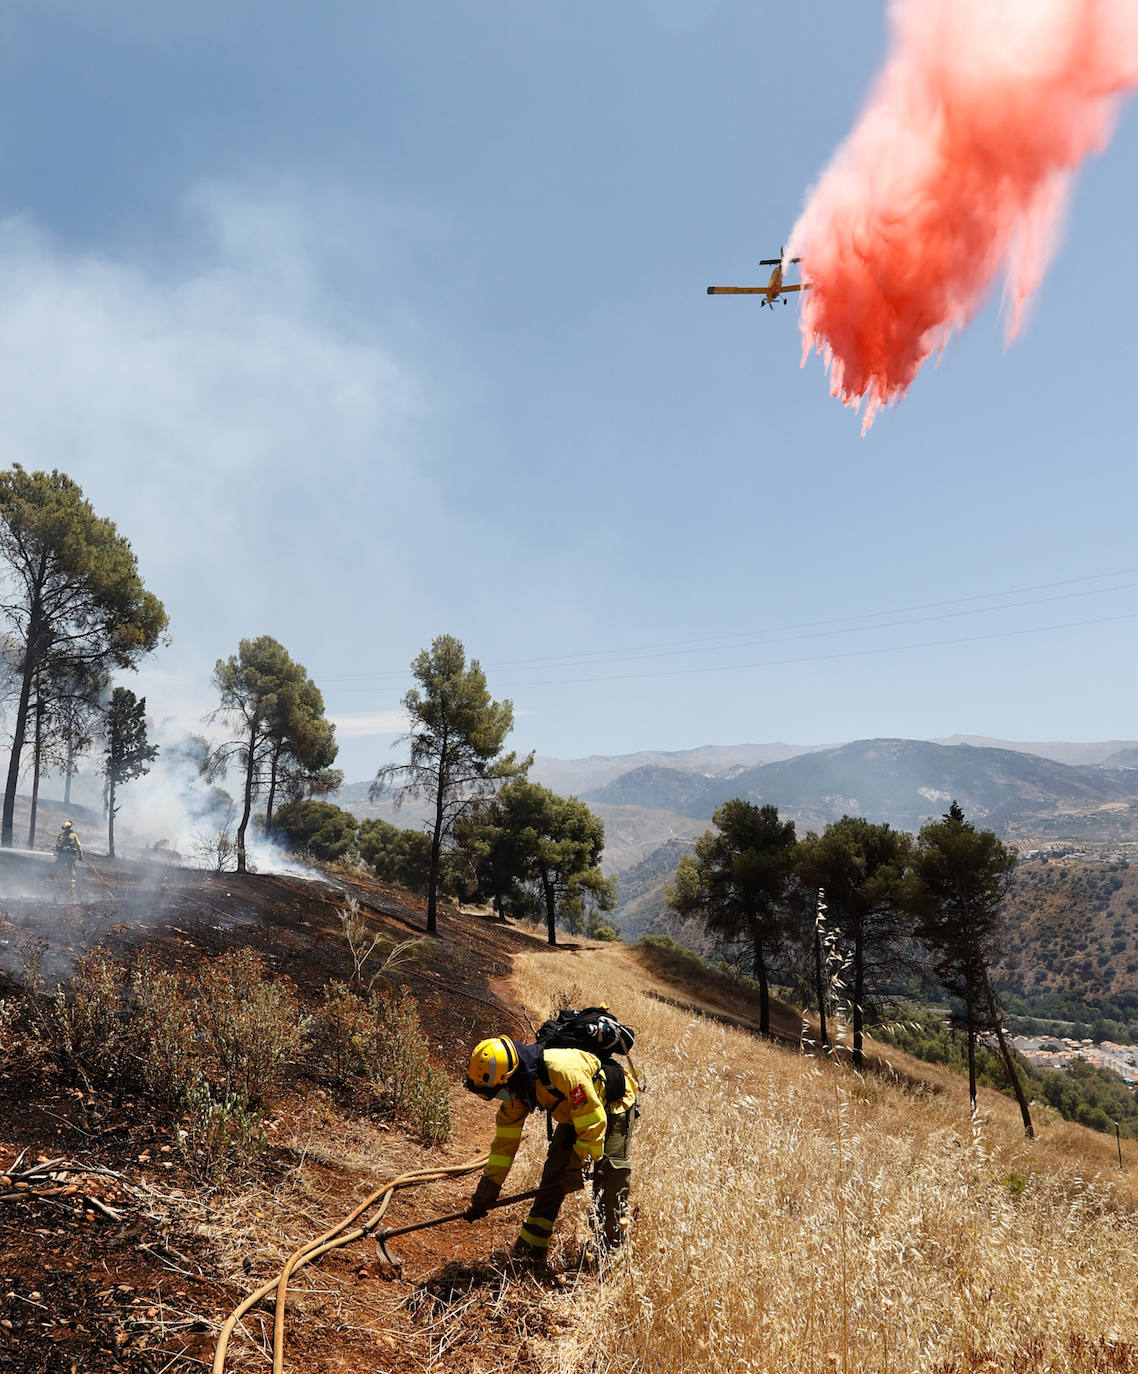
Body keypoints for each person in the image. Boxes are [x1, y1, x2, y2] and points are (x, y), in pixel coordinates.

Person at [463, 1032, 637, 1264]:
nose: (502, 1098)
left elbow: (593, 1123)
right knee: (554, 1176)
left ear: (511, 1077)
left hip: (612, 1104)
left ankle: (609, 1256)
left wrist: (579, 1167)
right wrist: (488, 1189)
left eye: (499, 1091)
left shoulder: (561, 1071)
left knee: (609, 1176)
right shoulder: (517, 1091)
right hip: (576, 1110)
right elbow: (504, 1146)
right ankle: (531, 1250)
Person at [54, 820, 82, 894]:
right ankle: (71, 887)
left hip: (62, 856)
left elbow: (57, 846)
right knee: (71, 870)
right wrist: (81, 856)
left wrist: (58, 853)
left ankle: (52, 882)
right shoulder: (73, 836)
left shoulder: (60, 835)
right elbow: (79, 847)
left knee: (57, 867)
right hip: (71, 857)